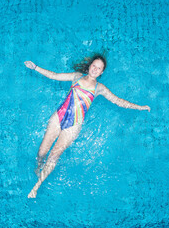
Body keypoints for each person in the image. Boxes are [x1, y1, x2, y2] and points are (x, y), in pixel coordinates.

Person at [24, 54, 150, 198]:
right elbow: (55, 75)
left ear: (102, 72)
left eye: (99, 68)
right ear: (90, 66)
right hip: (58, 118)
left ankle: (36, 187)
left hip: (73, 126)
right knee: (41, 152)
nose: (95, 69)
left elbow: (118, 101)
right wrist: (35, 67)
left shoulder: (99, 88)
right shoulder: (76, 76)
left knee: (53, 156)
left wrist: (140, 107)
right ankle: (38, 167)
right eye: (94, 66)